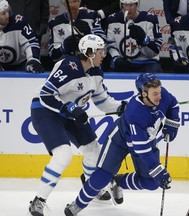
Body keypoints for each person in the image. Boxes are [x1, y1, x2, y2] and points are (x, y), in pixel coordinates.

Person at [28, 34, 127, 216]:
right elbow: (46, 94)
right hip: (45, 111)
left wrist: (121, 107)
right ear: (89, 52)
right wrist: (70, 108)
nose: (103, 54)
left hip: (70, 114)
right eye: (99, 51)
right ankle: (38, 201)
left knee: (93, 150)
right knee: (63, 154)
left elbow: (102, 100)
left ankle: (92, 188)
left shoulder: (96, 72)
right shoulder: (69, 67)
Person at [63, 73, 180, 216]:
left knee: (151, 183)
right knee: (102, 177)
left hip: (146, 141)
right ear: (143, 93)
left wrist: (171, 125)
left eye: (159, 92)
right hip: (120, 140)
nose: (159, 96)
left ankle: (117, 181)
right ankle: (78, 204)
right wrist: (158, 170)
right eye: (155, 93)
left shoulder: (162, 95)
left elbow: (173, 105)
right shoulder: (135, 112)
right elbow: (141, 149)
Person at [106, 0, 163, 72]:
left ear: (137, 5)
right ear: (121, 5)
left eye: (131, 5)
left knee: (154, 74)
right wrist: (117, 59)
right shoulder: (112, 20)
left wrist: (143, 40)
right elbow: (111, 46)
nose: (128, 8)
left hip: (147, 63)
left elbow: (154, 52)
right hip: (123, 63)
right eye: (125, 5)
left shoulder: (150, 19)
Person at [0, 0, 44, 72]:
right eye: (3, 13)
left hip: (22, 64)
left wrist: (33, 59)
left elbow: (30, 42)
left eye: (7, 11)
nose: (7, 15)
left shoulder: (19, 22)